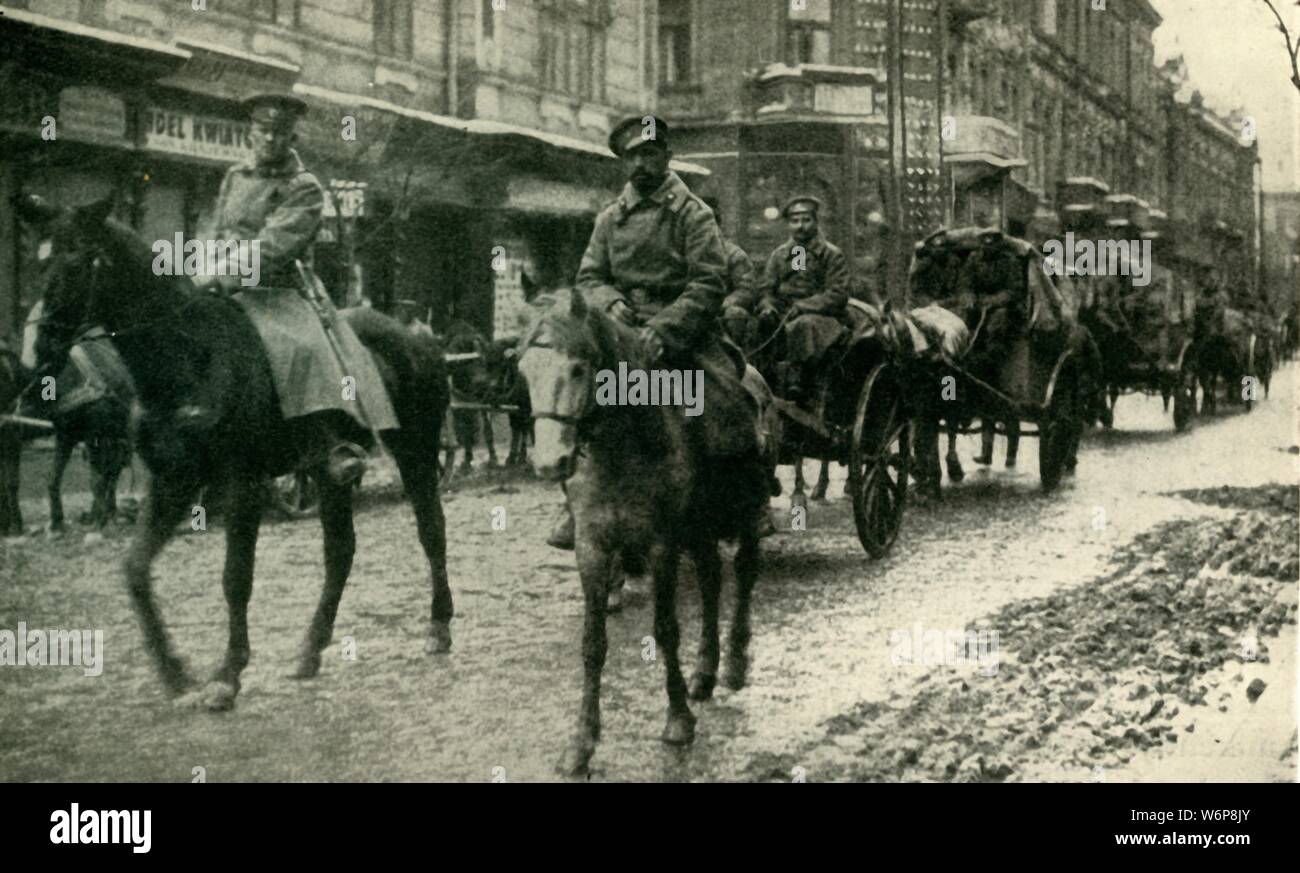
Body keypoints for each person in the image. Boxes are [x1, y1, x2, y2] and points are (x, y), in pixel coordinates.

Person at [547, 114, 761, 550]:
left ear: (667, 156)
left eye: (650, 153)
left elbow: (708, 282)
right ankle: (578, 506)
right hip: (620, 335)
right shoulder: (609, 219)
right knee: (578, 406)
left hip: (684, 334)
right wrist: (610, 302)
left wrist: (665, 329)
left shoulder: (692, 213)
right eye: (633, 156)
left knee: (729, 402)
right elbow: (588, 278)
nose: (641, 163)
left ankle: (739, 503)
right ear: (623, 162)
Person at [192, 93, 398, 485]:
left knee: (302, 349)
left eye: (279, 133)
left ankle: (328, 441)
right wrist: (200, 265)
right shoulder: (234, 176)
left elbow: (275, 245)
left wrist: (222, 274)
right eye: (263, 130)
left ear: (292, 138)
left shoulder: (305, 187)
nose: (270, 139)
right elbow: (216, 230)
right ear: (250, 133)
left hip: (278, 292)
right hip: (224, 285)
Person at [755, 196, 850, 407]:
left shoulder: (831, 254)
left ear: (816, 222)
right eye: (795, 221)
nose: (800, 226)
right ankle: (760, 378)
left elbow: (838, 293)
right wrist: (768, 307)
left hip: (822, 318)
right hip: (784, 313)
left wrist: (804, 306)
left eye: (806, 220)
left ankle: (799, 380)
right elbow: (766, 289)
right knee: (757, 324)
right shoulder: (779, 256)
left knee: (804, 325)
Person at [700, 195, 757, 350]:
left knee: (735, 314)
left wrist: (722, 305)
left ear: (718, 225)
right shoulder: (684, 253)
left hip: (721, 312)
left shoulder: (733, 254)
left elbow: (746, 290)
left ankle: (734, 360)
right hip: (690, 308)